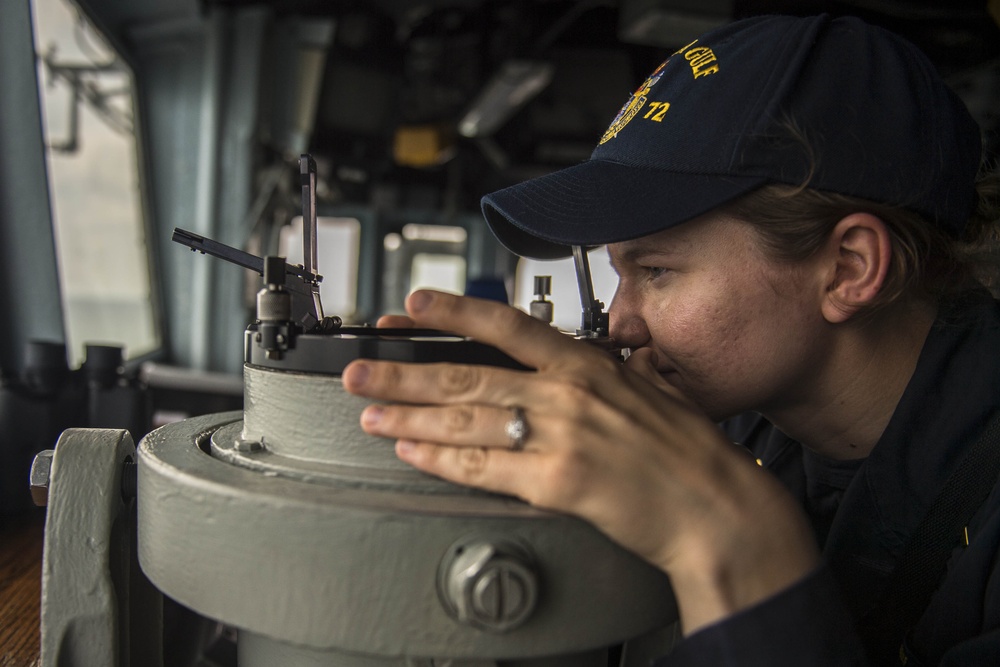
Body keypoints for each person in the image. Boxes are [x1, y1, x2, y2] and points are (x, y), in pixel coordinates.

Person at [342, 13, 1000, 666]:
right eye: (620, 273)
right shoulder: (744, 423)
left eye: (656, 271)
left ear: (848, 268)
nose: (622, 322)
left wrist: (732, 541)